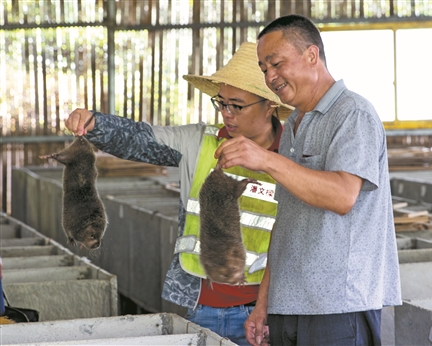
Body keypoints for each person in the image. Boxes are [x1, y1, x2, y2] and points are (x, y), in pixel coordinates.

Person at [64, 42, 292, 346]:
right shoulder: (198, 142)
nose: (226, 113)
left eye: (236, 105)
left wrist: (267, 310)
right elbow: (141, 139)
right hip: (203, 307)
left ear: (270, 104)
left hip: (269, 313)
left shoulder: (295, 157)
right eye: (220, 103)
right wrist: (96, 124)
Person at [214, 15, 402, 346]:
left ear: (312, 55)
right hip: (291, 306)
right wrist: (264, 304)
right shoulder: (296, 125)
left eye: (276, 63)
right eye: (264, 68)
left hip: (338, 307)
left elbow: (343, 196)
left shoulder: (353, 114)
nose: (270, 76)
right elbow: (285, 224)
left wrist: (266, 159)